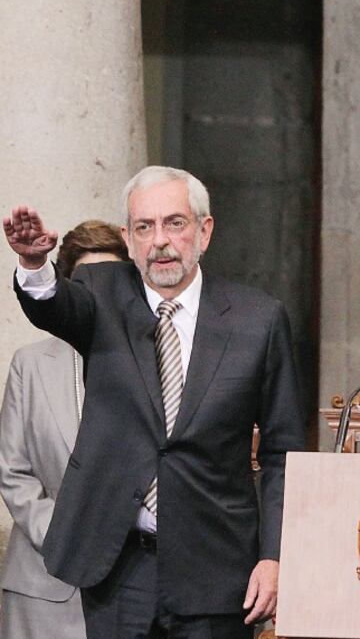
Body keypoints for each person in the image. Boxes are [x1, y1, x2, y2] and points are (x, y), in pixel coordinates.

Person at [3, 166, 307, 638]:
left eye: (174, 223)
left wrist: (275, 555)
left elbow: (283, 452)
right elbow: (53, 305)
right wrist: (33, 265)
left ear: (203, 231)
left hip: (217, 568)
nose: (159, 241)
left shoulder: (258, 320)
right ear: (128, 239)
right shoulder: (101, 293)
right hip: (119, 568)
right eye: (144, 227)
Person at [0, 220, 128, 639]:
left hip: (130, 583)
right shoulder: (30, 363)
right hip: (44, 584)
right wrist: (63, 530)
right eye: (86, 282)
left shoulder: (154, 359)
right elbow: (12, 470)